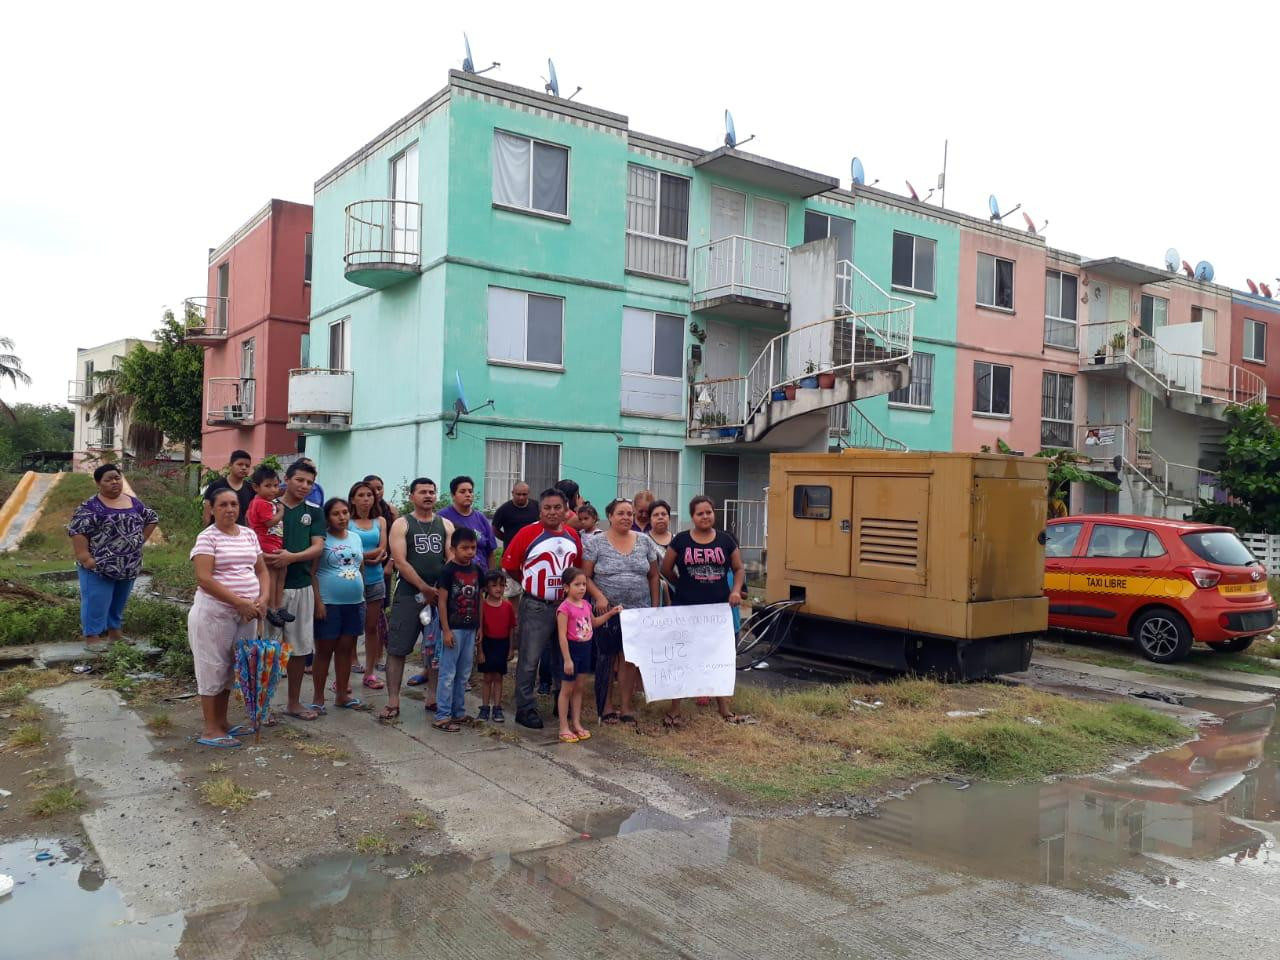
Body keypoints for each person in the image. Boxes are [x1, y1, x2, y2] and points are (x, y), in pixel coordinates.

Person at [187, 487, 268, 747]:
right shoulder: (207, 537)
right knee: (212, 667)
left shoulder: (248, 534)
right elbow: (204, 578)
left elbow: (261, 570)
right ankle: (210, 729)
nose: (230, 509)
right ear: (212, 509)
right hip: (214, 613)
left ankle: (223, 722)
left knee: (233, 667)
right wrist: (238, 602)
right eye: (223, 505)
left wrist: (263, 598)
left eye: (233, 504)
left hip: (246, 615)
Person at [658, 495, 745, 726]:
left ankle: (724, 709)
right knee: (682, 658)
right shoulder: (681, 540)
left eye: (708, 512)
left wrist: (736, 591)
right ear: (692, 516)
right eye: (700, 513)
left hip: (718, 612)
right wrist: (682, 585)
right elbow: (666, 568)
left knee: (718, 658)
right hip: (686, 609)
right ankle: (675, 710)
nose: (705, 516)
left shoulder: (726, 540)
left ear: (713, 513)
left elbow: (738, 569)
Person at [502, 488, 581, 730]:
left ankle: (561, 702)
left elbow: (576, 568)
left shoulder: (572, 535)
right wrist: (531, 585)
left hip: (565, 608)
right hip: (536, 606)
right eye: (547, 508)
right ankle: (525, 707)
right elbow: (510, 565)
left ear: (566, 510)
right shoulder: (527, 533)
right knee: (529, 658)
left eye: (557, 508)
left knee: (563, 656)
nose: (552, 512)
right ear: (540, 510)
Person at [378, 478, 454, 723]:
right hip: (409, 594)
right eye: (422, 492)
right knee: (397, 648)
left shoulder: (445, 524)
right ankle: (393, 700)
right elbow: (400, 561)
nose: (428, 496)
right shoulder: (402, 524)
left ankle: (432, 697)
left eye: (432, 492)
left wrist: (438, 589)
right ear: (412, 496)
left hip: (438, 595)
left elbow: (451, 557)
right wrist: (423, 587)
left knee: (435, 649)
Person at [583, 498, 661, 725]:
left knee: (629, 659)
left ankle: (626, 707)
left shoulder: (644, 541)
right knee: (607, 658)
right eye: (621, 513)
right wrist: (599, 597)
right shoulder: (596, 543)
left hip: (638, 611)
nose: (626, 517)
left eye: (629, 513)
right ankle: (606, 707)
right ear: (610, 516)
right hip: (607, 611)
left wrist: (655, 607)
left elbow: (653, 576)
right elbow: (585, 576)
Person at [67, 463, 158, 647]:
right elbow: (78, 531)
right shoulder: (90, 507)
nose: (115, 482)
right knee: (96, 601)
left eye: (117, 478)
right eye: (109, 480)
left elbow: (152, 518)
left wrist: (139, 541)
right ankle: (92, 637)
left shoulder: (133, 502)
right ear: (98, 483)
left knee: (118, 602)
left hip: (128, 565)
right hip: (98, 566)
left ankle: (115, 634)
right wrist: (86, 558)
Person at [264, 460, 325, 721]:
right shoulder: (267, 506)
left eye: (310, 482)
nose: (304, 486)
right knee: (268, 648)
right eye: (299, 480)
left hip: (301, 587)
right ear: (286, 480)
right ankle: (263, 705)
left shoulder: (314, 512)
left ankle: (293, 702)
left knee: (299, 648)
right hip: (269, 590)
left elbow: (318, 547)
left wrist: (291, 557)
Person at [310, 498, 365, 712]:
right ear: (327, 518)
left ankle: (342, 694)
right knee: (324, 651)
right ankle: (318, 698)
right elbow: (312, 572)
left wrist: (363, 595)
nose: (342, 517)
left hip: (354, 603)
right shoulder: (322, 540)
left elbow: (360, 566)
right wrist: (318, 602)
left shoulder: (355, 537)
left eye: (345, 512)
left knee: (345, 649)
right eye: (336, 514)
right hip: (329, 603)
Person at [556, 566, 621, 743]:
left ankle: (577, 723)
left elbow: (594, 623)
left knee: (579, 688)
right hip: (571, 651)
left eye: (584, 584)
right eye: (577, 584)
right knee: (567, 690)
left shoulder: (586, 605)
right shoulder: (564, 608)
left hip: (585, 650)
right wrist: (567, 659)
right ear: (566, 587)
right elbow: (562, 635)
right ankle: (563, 726)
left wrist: (611, 613)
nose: (582, 588)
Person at [434, 527, 482, 732]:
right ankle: (442, 715)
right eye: (465, 548)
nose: (470, 552)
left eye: (473, 548)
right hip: (453, 629)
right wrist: (446, 630)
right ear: (453, 549)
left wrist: (480, 626)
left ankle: (458, 711)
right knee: (448, 674)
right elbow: (442, 602)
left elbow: (480, 599)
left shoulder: (477, 570)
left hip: (471, 628)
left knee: (464, 673)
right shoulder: (448, 571)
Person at [349, 480, 388, 689]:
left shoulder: (380, 521)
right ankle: (347, 668)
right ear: (353, 499)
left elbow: (382, 548)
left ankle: (370, 672)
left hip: (375, 578)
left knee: (372, 627)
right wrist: (364, 557)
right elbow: (345, 550)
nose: (366, 499)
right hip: (351, 580)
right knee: (350, 628)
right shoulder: (347, 522)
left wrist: (367, 556)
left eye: (369, 495)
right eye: (361, 495)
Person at [245, 466, 293, 628]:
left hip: (274, 543)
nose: (273, 489)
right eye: (268, 486)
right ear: (256, 487)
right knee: (272, 574)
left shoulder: (267, 502)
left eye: (275, 485)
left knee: (282, 571)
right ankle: (272, 607)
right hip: (265, 543)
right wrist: (281, 513)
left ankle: (278, 605)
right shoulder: (260, 503)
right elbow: (269, 522)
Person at [477, 570, 517, 722]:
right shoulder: (482, 606)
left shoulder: (507, 606)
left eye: (501, 585)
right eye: (494, 585)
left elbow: (511, 628)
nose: (498, 589)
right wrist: (480, 651)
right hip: (487, 644)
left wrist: (511, 648)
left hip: (502, 644)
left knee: (498, 677)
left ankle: (497, 708)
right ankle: (485, 707)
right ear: (486, 588)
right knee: (487, 677)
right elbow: (480, 631)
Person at [439, 475, 498, 572]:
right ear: (453, 495)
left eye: (470, 491)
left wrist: (491, 575)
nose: (468, 494)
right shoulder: (442, 517)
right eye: (462, 492)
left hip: (481, 575)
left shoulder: (481, 518)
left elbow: (490, 552)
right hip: (454, 575)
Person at [201, 450, 254, 526]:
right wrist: (208, 530)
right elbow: (207, 513)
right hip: (218, 531)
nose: (244, 468)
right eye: (240, 464)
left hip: (240, 531)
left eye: (247, 466)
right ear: (230, 465)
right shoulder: (216, 486)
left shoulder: (251, 489)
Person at [492, 481, 538, 548]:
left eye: (524, 494)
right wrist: (507, 539)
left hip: (532, 548)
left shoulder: (536, 506)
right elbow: (494, 529)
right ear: (513, 493)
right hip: (512, 549)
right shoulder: (503, 510)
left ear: (529, 493)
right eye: (518, 494)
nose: (521, 497)